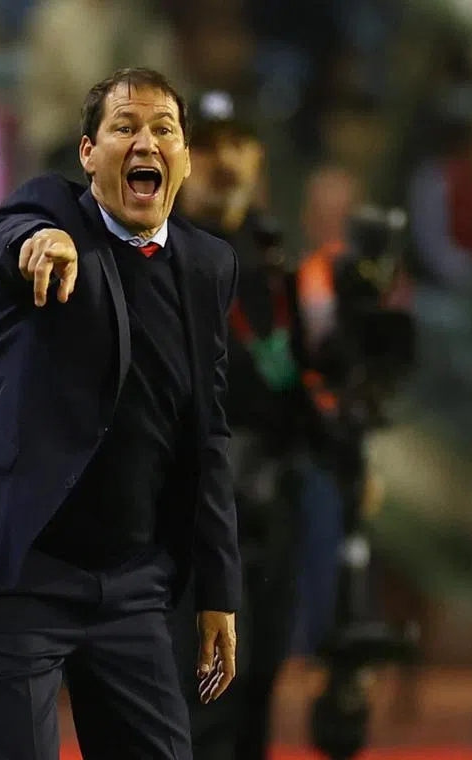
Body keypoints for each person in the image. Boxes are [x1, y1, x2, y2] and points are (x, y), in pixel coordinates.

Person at [0, 67, 241, 760]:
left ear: (184, 157)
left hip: (129, 583)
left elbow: (207, 436)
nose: (145, 142)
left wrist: (217, 589)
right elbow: (17, 231)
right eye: (125, 127)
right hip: (15, 566)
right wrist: (42, 245)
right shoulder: (48, 209)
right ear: (88, 153)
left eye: (164, 129)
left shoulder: (208, 265)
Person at [174, 98, 320, 760]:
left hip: (269, 494)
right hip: (186, 501)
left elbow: (296, 375)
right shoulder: (151, 253)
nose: (224, 161)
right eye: (206, 146)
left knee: (261, 678)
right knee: (205, 687)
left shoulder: (275, 262)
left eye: (239, 144)